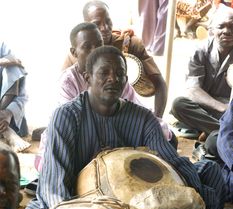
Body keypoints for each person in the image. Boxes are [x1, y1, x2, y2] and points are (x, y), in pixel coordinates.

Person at [25, 45, 228, 209]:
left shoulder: (142, 118)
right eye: (104, 73)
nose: (113, 79)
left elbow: (174, 164)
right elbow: (55, 186)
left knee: (209, 170)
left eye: (120, 74)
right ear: (87, 77)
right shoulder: (67, 116)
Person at [33, 22, 175, 175]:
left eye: (99, 44)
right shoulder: (68, 82)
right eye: (87, 46)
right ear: (74, 53)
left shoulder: (116, 79)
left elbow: (136, 112)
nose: (95, 50)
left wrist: (155, 126)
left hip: (110, 140)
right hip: (79, 142)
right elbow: (68, 124)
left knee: (165, 137)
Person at [62, 1, 167, 119]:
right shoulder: (76, 57)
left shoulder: (129, 43)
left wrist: (157, 120)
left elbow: (159, 84)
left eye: (108, 21)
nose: (105, 28)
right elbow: (65, 95)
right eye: (97, 23)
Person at [171, 4, 233, 145]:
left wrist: (228, 109)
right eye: (221, 26)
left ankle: (211, 130)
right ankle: (222, 132)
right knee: (178, 104)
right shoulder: (200, 50)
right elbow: (193, 90)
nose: (227, 31)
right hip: (208, 108)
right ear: (211, 30)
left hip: (229, 110)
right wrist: (221, 107)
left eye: (232, 26)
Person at [0, 42, 30, 152]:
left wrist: (8, 113)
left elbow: (14, 60)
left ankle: (3, 116)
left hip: (9, 116)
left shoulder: (1, 45)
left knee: (14, 68)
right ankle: (8, 132)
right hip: (5, 123)